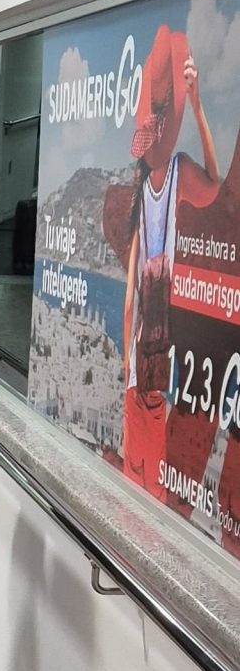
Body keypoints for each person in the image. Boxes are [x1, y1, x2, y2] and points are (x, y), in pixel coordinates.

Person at [120, 27, 218, 497]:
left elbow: (128, 304)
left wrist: (124, 368)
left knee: (140, 480)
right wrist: (198, 109)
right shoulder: (165, 180)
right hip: (154, 366)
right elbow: (215, 184)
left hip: (145, 368)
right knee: (147, 488)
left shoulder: (156, 184)